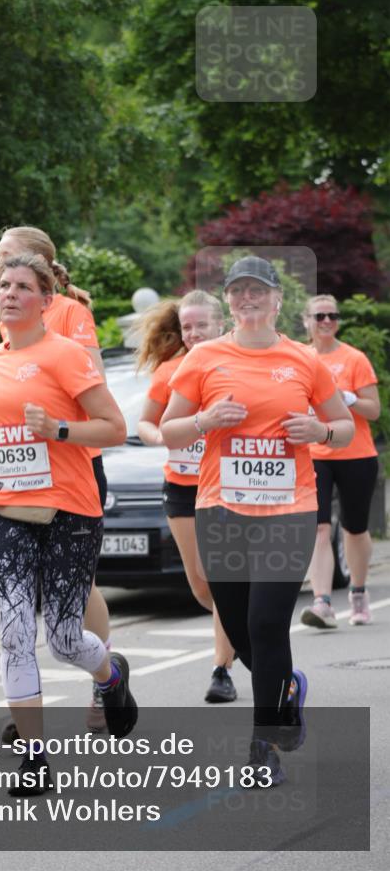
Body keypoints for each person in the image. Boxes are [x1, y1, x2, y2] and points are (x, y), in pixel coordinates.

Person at [161, 256, 353, 785]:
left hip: (288, 510)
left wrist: (318, 430)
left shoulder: (303, 361)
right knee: (242, 628)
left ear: (276, 301)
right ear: (228, 301)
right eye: (238, 291)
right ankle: (285, 690)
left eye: (258, 291)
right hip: (221, 509)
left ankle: (261, 744)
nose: (248, 299)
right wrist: (203, 419)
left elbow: (344, 426)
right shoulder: (203, 359)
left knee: (268, 624)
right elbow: (169, 429)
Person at [0, 253, 136, 795]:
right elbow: (10, 434)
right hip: (7, 508)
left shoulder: (67, 355)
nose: (9, 294)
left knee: (62, 640)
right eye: (3, 285)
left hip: (70, 511)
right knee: (13, 635)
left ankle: (110, 675)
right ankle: (34, 760)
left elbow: (114, 429)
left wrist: (58, 428)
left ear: (46, 300)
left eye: (22, 287)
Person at [136, 290, 237, 703]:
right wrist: (162, 435)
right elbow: (145, 422)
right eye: (187, 327)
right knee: (200, 585)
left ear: (221, 325)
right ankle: (245, 635)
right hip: (181, 485)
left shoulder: (236, 366)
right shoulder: (170, 371)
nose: (194, 333)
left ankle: (221, 669)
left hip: (227, 487)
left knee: (221, 578)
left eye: (202, 325)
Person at [300, 294, 381, 628]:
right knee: (319, 527)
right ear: (306, 321)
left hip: (356, 453)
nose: (326, 322)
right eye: (319, 316)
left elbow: (373, 410)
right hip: (315, 454)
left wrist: (348, 398)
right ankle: (322, 603)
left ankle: (358, 593)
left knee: (355, 527)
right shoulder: (299, 358)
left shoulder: (355, 359)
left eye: (332, 315)